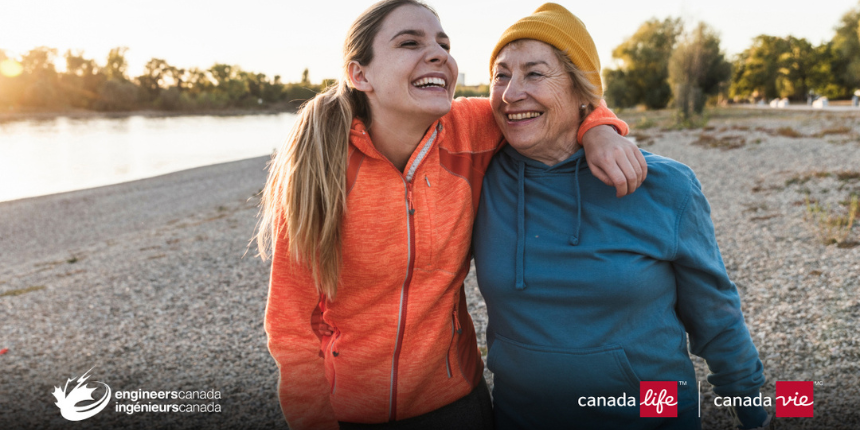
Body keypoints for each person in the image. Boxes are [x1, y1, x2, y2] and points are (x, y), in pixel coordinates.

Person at [255, 1, 644, 429]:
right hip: (349, 412)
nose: (439, 53)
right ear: (360, 75)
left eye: (444, 43)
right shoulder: (318, 168)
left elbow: (563, 101)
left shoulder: (473, 128)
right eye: (410, 42)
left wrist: (600, 131)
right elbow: (292, 328)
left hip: (457, 404)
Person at [471, 4, 771, 430]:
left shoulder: (665, 186)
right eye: (501, 74)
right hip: (523, 418)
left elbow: (716, 314)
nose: (510, 92)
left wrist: (752, 410)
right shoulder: (478, 179)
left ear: (582, 93)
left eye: (534, 73)